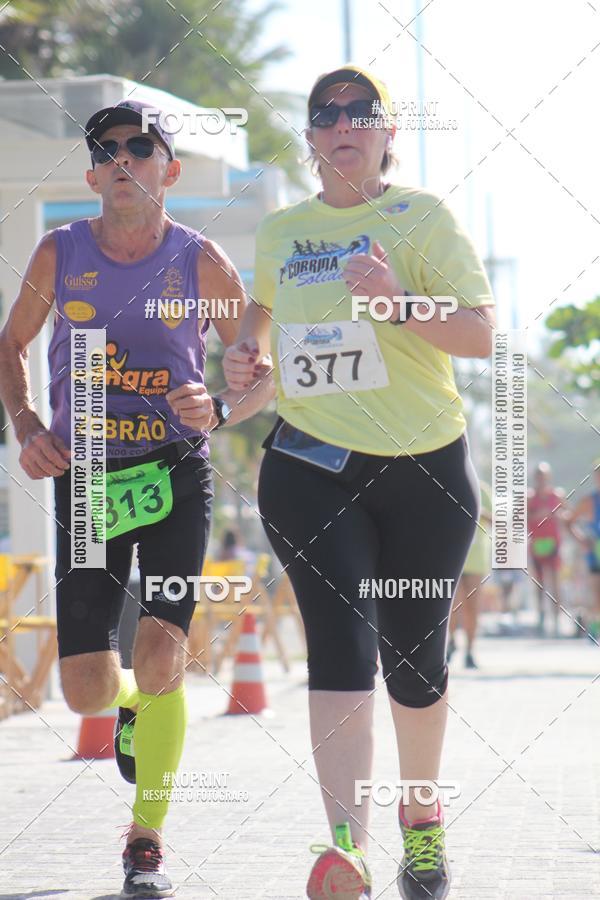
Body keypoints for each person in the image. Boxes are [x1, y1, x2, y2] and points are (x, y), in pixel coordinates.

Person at [223, 65, 495, 900]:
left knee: (414, 662)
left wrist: (394, 301)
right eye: (325, 114)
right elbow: (257, 344)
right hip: (310, 465)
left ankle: (421, 818)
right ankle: (345, 847)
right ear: (310, 138)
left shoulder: (424, 217)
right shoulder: (281, 233)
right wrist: (244, 361)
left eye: (361, 112)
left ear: (386, 135)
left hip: (424, 470)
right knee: (339, 646)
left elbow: (481, 335)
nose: (343, 123)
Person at [0, 99, 274, 899]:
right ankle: (129, 711)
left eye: (140, 147)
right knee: (84, 688)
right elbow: (11, 342)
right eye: (109, 149)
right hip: (88, 480)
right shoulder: (60, 253)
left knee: (162, 656)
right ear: (92, 173)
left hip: (173, 472)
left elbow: (256, 370)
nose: (124, 158)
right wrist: (25, 423)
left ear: (168, 169)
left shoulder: (202, 261)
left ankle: (146, 840)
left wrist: (221, 406)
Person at [448, 480, 492, 668]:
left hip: (475, 558)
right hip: (452, 556)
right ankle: (449, 642)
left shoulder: (482, 490)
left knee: (472, 608)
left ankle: (470, 650)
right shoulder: (448, 485)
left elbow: (496, 521)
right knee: (451, 607)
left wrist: (478, 511)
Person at [527, 462, 569, 636]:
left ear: (548, 477)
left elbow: (568, 515)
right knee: (539, 583)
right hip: (537, 543)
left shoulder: (557, 495)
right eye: (538, 476)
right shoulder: (529, 497)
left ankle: (557, 619)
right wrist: (539, 515)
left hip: (553, 542)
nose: (541, 479)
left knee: (555, 582)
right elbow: (522, 517)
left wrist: (556, 514)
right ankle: (541, 618)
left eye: (544, 476)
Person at [566, 461, 600, 640]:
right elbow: (569, 521)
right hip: (595, 553)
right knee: (596, 590)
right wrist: (582, 540)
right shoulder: (589, 501)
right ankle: (593, 628)